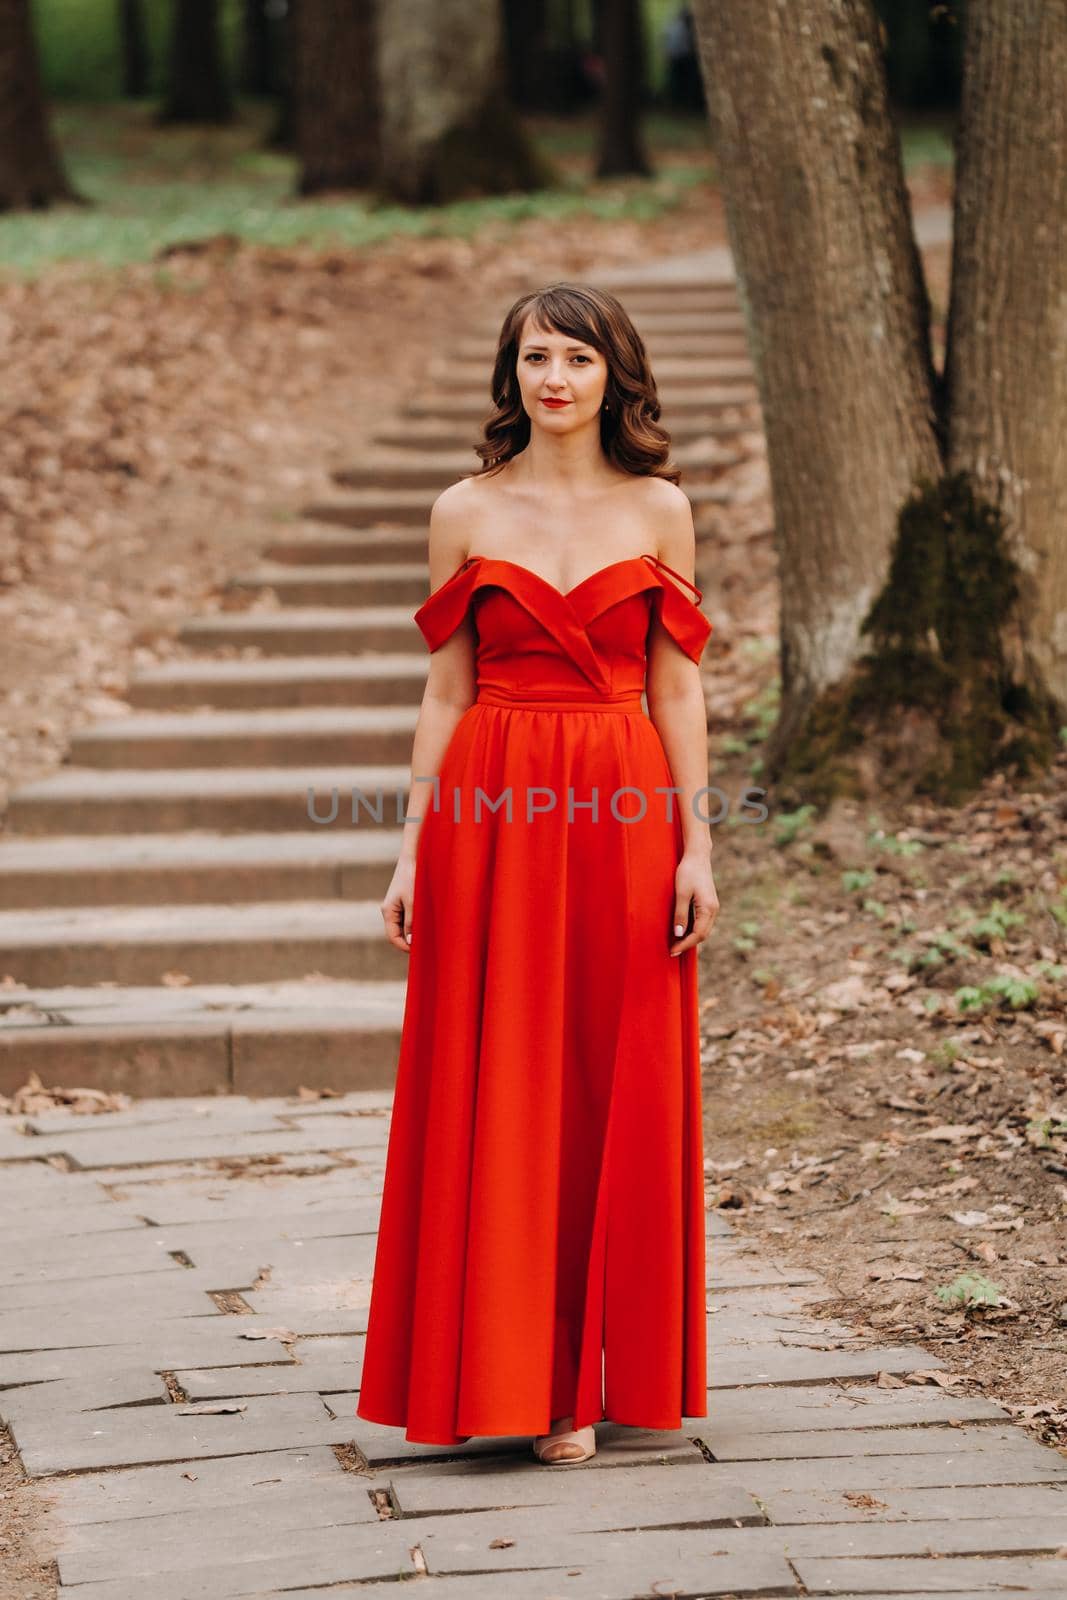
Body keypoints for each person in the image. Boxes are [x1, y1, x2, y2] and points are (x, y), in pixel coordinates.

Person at [355, 283, 719, 1466]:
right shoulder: (461, 509)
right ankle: (513, 1374)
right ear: (507, 374)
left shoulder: (660, 508)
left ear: (615, 373)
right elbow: (447, 687)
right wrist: (412, 840)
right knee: (498, 1077)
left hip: (621, 811)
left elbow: (675, 684)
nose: (552, 378)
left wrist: (698, 844)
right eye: (532, 357)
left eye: (574, 357)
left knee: (606, 1078)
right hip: (490, 806)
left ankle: (591, 1371)